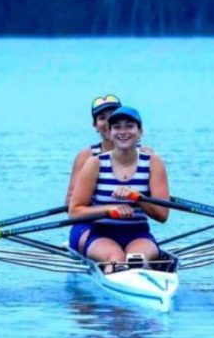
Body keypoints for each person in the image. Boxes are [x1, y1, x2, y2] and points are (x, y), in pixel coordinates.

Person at [68, 106, 170, 272]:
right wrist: (110, 209)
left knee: (138, 261)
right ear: (110, 132)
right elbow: (74, 212)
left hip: (138, 233)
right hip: (100, 233)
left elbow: (162, 215)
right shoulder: (95, 163)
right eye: (117, 127)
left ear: (140, 132)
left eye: (129, 126)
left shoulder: (153, 162)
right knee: (116, 259)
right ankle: (114, 279)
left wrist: (138, 198)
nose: (123, 131)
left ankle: (142, 289)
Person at [64, 94, 123, 206]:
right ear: (95, 125)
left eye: (113, 116)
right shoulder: (86, 156)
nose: (108, 122)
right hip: (93, 219)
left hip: (130, 217)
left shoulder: (144, 154)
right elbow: (70, 202)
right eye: (102, 118)